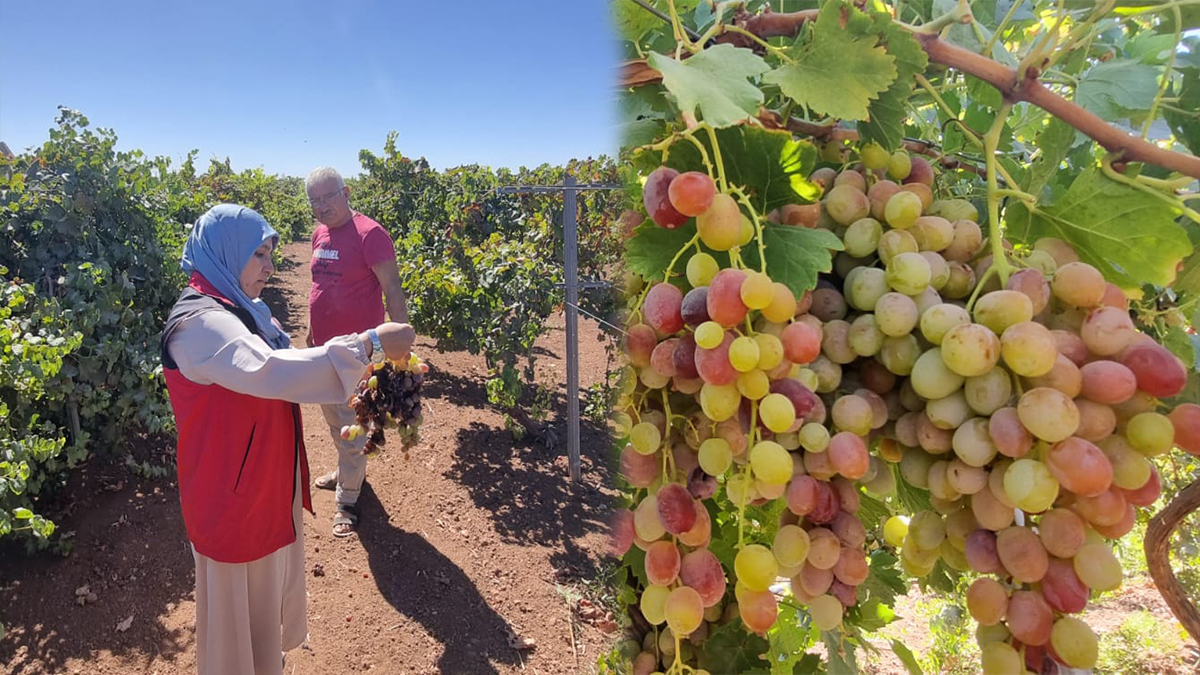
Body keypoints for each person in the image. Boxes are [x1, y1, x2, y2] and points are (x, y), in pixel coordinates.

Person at [162, 204, 415, 675]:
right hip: (229, 497)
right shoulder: (199, 324)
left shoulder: (240, 308)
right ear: (226, 251)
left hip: (255, 485)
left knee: (260, 602)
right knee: (234, 622)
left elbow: (288, 362)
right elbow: (271, 371)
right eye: (258, 254)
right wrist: (370, 345)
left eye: (271, 254)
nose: (270, 267)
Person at [303, 166, 409, 537]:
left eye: (328, 197)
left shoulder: (370, 233)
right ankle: (347, 471)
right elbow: (318, 287)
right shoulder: (319, 234)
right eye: (314, 200)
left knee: (353, 424)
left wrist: (401, 342)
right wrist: (311, 331)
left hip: (360, 353)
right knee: (334, 418)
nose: (321, 206)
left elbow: (392, 289)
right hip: (324, 350)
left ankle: (347, 499)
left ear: (346, 193)